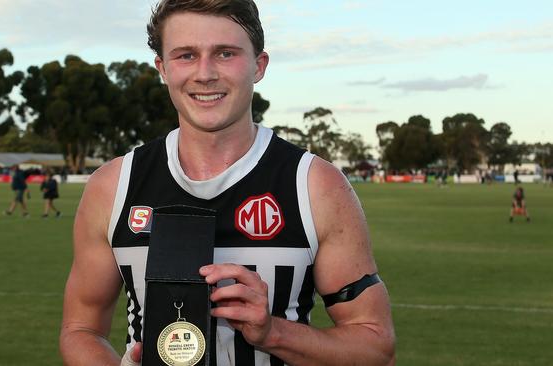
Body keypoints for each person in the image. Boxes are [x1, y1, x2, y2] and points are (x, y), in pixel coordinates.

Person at [60, 1, 395, 365]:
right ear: (163, 68)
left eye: (225, 53)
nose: (204, 74)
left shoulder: (316, 185)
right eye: (186, 55)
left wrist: (273, 333)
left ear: (259, 65)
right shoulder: (113, 187)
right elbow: (81, 329)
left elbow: (376, 348)